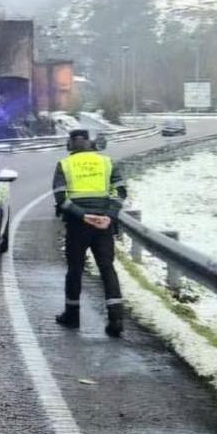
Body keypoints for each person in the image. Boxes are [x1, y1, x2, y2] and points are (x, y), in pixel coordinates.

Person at [53, 129, 129, 337]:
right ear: (89, 142)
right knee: (107, 268)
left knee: (75, 269)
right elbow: (120, 191)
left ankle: (72, 315)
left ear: (70, 143)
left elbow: (61, 198)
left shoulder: (65, 165)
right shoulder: (106, 162)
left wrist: (83, 215)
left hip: (77, 224)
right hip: (103, 224)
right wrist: (109, 216)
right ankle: (116, 319)